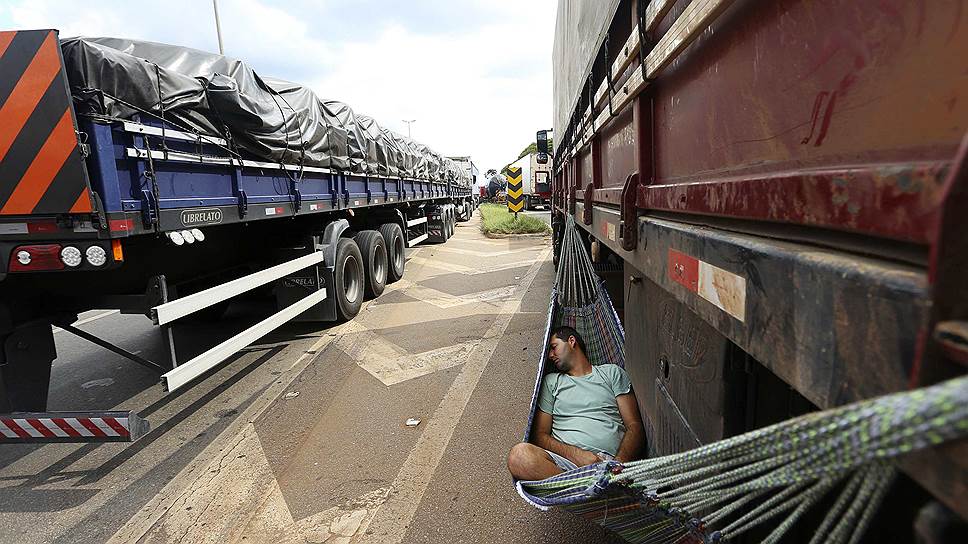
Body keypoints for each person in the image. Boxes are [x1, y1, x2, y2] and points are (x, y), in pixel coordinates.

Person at [507, 326, 644, 481]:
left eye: (554, 347)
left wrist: (619, 463)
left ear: (571, 341)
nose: (551, 355)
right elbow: (539, 435)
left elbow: (634, 425)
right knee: (518, 456)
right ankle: (590, 487)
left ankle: (594, 488)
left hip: (610, 463)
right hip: (566, 466)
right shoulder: (552, 382)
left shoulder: (611, 373)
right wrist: (577, 455)